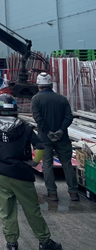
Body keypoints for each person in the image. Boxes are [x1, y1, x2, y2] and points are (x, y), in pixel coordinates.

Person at [0, 94, 63, 250]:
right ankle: (44, 242)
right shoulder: (25, 127)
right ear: (15, 110)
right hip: (22, 175)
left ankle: (11, 243)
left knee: (7, 211)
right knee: (32, 210)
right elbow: (40, 146)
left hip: (1, 175)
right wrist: (35, 162)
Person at [31, 72, 78, 202]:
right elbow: (69, 117)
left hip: (45, 139)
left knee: (47, 164)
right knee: (67, 164)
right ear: (51, 84)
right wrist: (61, 130)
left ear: (38, 85)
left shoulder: (36, 99)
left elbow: (38, 118)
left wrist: (48, 132)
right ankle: (73, 193)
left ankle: (52, 193)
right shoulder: (62, 99)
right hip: (62, 138)